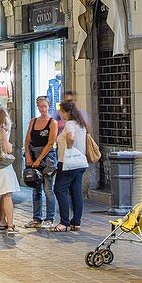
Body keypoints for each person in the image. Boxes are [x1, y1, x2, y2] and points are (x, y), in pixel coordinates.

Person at [53, 99, 89, 232]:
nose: (60, 113)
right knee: (76, 191)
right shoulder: (81, 124)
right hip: (80, 163)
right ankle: (76, 222)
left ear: (67, 112)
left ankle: (64, 222)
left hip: (68, 163)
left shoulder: (69, 124)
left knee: (59, 190)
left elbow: (71, 137)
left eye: (61, 111)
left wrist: (69, 147)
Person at [24, 96, 58, 228]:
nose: (42, 109)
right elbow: (27, 141)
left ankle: (49, 218)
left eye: (45, 106)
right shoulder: (33, 122)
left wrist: (39, 159)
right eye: (40, 106)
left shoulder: (52, 123)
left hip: (47, 158)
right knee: (35, 188)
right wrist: (28, 157)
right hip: (32, 157)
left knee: (48, 189)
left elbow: (50, 143)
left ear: (48, 106)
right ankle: (36, 218)